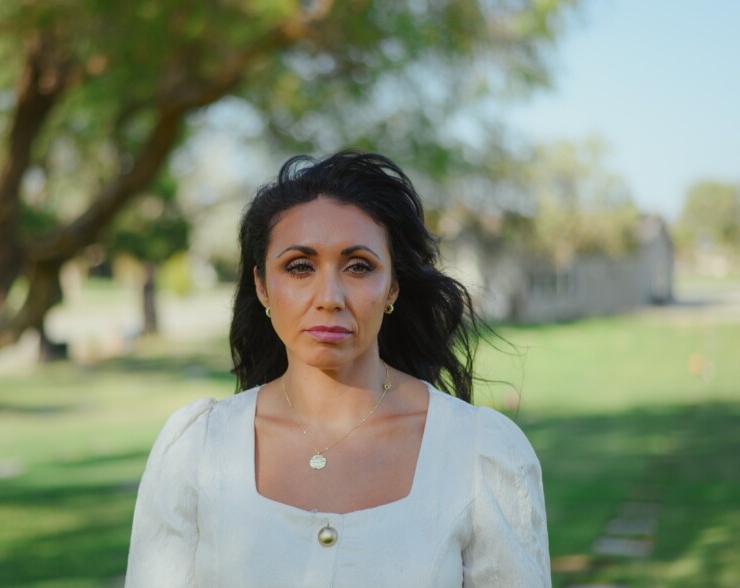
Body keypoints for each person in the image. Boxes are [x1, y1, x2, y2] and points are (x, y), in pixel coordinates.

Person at [126, 151, 550, 586]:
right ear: (262, 286)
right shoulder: (197, 449)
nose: (329, 296)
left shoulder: (478, 452)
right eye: (300, 267)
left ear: (393, 286)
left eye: (358, 267)